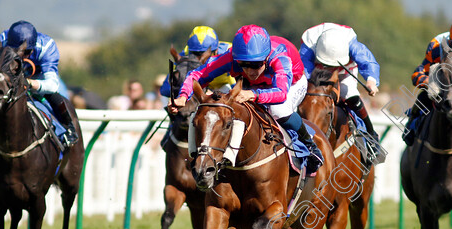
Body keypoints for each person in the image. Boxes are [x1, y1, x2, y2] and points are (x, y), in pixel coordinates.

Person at [170, 24, 323, 173]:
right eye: (243, 64)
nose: (250, 70)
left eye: (256, 65)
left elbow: (281, 93)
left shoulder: (280, 58)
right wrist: (183, 96)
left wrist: (253, 95)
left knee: (278, 109)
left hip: (292, 84)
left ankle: (310, 145)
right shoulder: (231, 57)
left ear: (266, 58)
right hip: (255, 86)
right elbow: (197, 75)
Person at [0, 20, 78, 149]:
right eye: (14, 51)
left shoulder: (46, 47)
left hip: (37, 75)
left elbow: (53, 85)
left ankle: (69, 127)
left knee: (52, 93)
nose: (20, 56)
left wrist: (31, 83)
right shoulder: (2, 40)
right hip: (9, 74)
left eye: (25, 52)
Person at [299, 23, 382, 161]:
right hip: (316, 71)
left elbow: (368, 62)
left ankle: (371, 134)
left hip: (344, 70)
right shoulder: (309, 43)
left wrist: (371, 81)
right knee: (303, 94)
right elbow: (304, 73)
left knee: (347, 93)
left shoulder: (351, 44)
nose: (330, 69)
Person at [160, 25, 235, 99]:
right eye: (194, 54)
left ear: (215, 51)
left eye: (203, 54)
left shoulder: (229, 53)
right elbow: (165, 89)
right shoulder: (185, 54)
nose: (198, 59)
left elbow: (237, 85)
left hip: (226, 87)